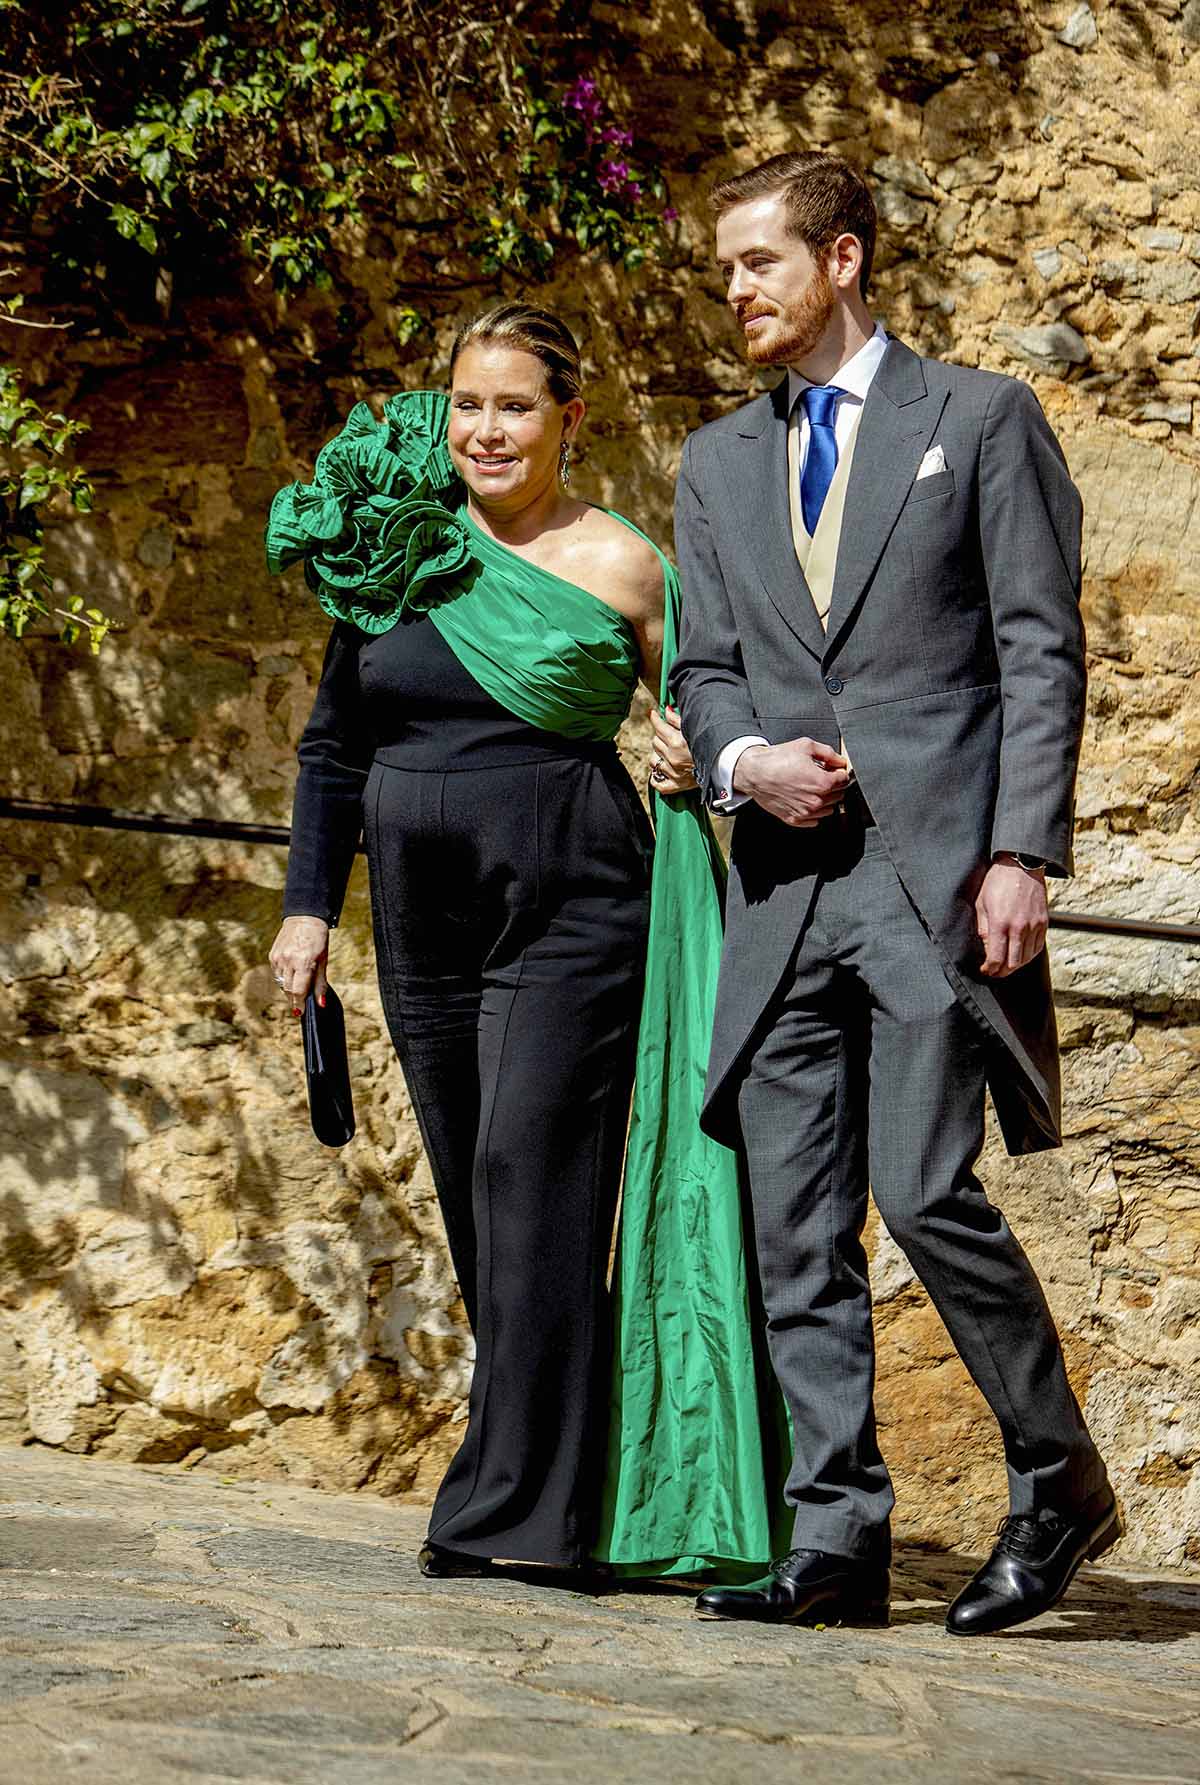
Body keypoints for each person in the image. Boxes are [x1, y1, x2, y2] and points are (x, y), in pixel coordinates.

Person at [669, 150, 1117, 1636]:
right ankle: (836, 1539)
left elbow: (1041, 648)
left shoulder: (980, 419)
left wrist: (1021, 852)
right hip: (786, 885)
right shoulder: (717, 463)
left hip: (932, 882)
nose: (733, 288)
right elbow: (707, 666)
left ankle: (1056, 1477)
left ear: (843, 258)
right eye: (725, 266)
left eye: (758, 261)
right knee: (795, 1223)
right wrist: (740, 763)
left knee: (925, 1188)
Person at [265, 302, 782, 1582]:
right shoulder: (403, 545)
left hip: (574, 910)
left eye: (515, 406)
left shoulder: (623, 565)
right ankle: (553, 1486)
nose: (486, 430)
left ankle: (513, 1514)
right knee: (477, 1201)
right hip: (421, 926)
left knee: (529, 1185)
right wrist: (308, 905)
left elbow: (706, 708)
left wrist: (687, 756)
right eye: (468, 405)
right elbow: (335, 746)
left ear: (569, 422)